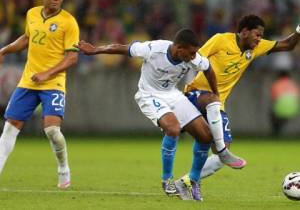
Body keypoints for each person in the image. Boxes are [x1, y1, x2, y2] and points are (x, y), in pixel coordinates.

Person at [75, 28, 245, 201]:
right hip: (149, 95)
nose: (194, 56)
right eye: (192, 53)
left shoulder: (193, 58)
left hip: (173, 95)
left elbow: (208, 68)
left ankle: (192, 180)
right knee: (173, 128)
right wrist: (96, 50)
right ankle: (167, 180)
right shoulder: (154, 49)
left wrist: (216, 93)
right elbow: (123, 48)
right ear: (179, 48)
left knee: (206, 135)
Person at [177, 14, 300, 183]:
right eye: (257, 35)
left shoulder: (255, 48)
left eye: (261, 36)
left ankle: (185, 182)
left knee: (222, 155)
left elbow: (288, 44)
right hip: (196, 94)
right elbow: (195, 57)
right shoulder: (221, 40)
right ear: (244, 32)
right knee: (217, 137)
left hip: (217, 103)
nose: (259, 39)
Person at [0, 0, 79, 189]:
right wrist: (5, 50)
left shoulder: (69, 22)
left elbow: (72, 57)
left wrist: (47, 73)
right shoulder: (32, 14)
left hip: (53, 83)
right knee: (9, 128)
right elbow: (27, 38)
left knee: (52, 131)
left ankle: (63, 169)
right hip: (28, 81)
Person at [270, 70, 300, 137]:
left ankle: (276, 134)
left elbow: (273, 99)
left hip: (280, 109)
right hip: (294, 109)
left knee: (273, 115)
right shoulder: (293, 84)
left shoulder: (277, 84)